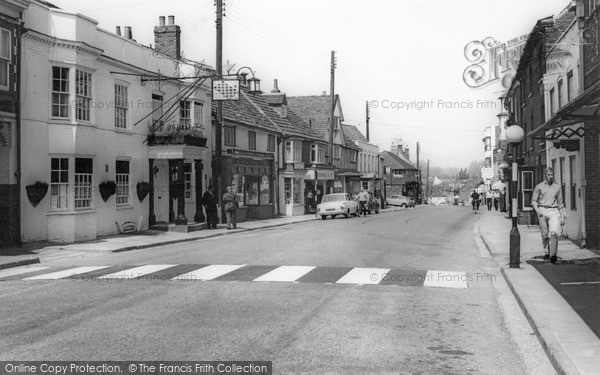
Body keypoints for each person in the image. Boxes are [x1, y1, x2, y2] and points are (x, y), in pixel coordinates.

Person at [532, 168, 565, 263]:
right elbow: (534, 201)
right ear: (545, 175)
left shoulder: (557, 187)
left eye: (552, 175)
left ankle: (553, 255)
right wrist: (538, 211)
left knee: (554, 233)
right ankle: (547, 252)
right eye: (549, 175)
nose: (551, 177)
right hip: (542, 210)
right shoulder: (539, 187)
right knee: (545, 234)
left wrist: (562, 217)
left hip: (554, 211)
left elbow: (560, 203)